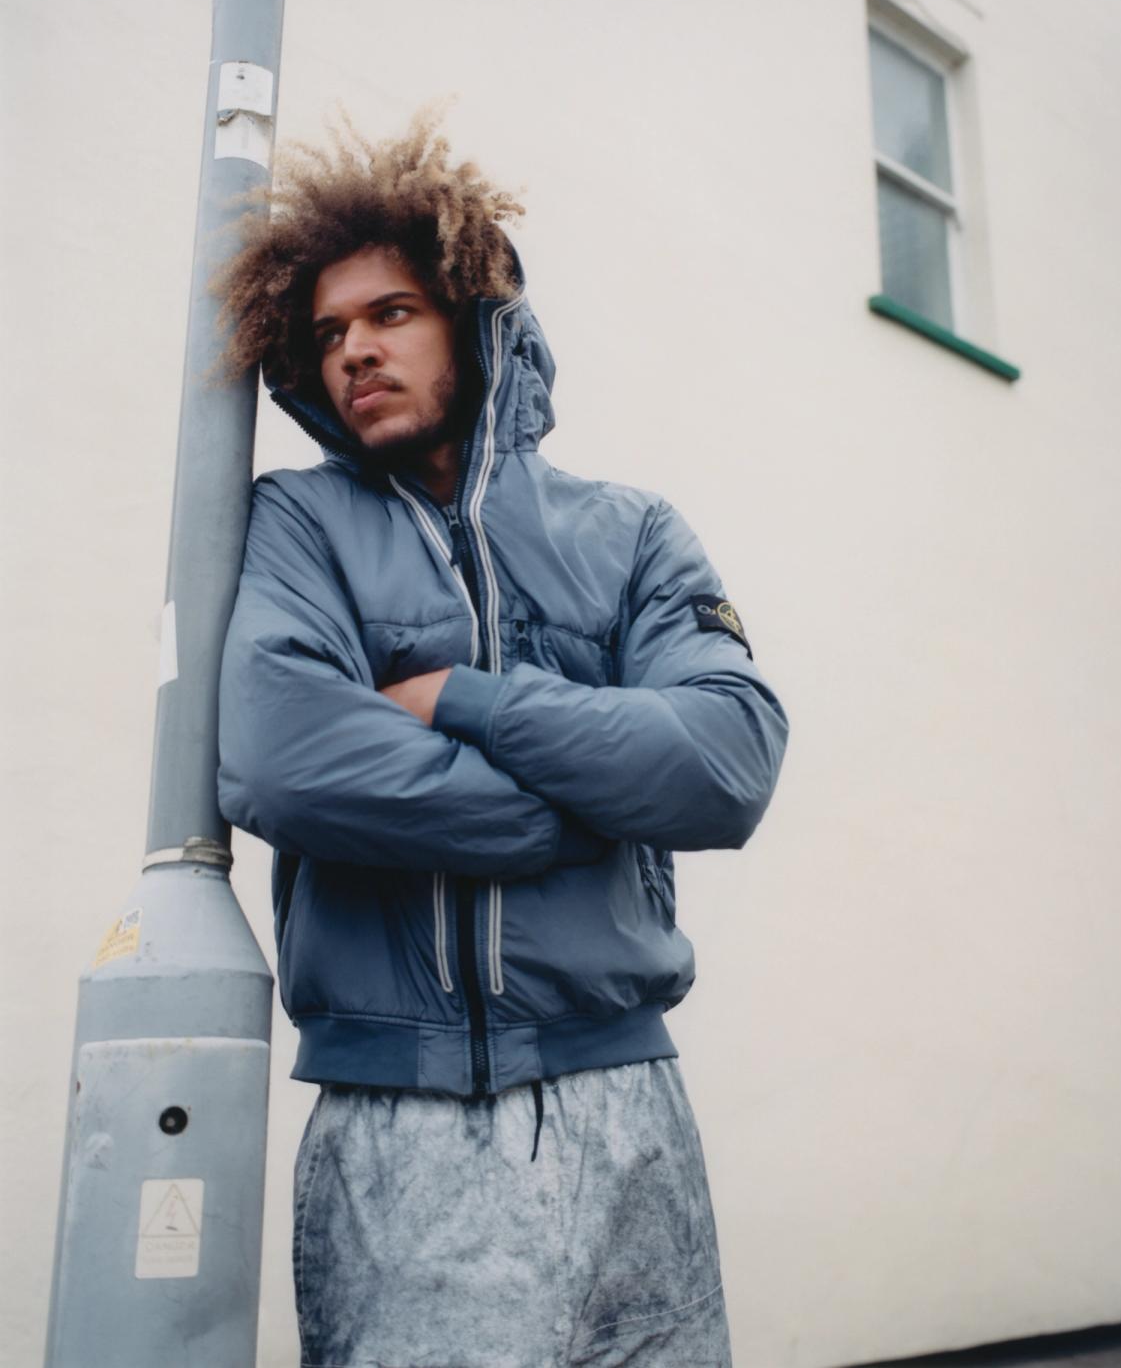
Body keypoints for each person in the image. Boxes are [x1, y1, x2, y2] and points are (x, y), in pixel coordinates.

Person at [215, 114, 788, 1368]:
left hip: (630, 1108)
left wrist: (467, 700)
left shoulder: (632, 532)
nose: (356, 348)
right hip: (401, 1122)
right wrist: (574, 815)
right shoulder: (298, 526)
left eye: (392, 313)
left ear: (476, 322)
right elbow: (281, 755)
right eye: (328, 332)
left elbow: (727, 759)